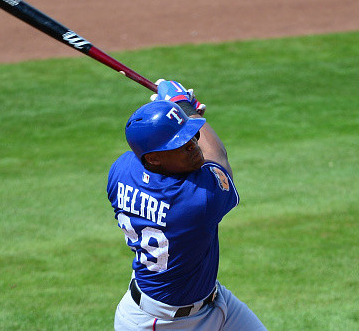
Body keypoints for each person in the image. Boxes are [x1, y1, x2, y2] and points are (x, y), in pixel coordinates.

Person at [107, 80, 266, 330]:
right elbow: (218, 158)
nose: (193, 145)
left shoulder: (122, 170)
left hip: (212, 301)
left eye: (191, 135)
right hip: (162, 324)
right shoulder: (196, 199)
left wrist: (176, 115)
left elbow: (148, 140)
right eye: (179, 144)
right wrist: (182, 105)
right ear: (155, 158)